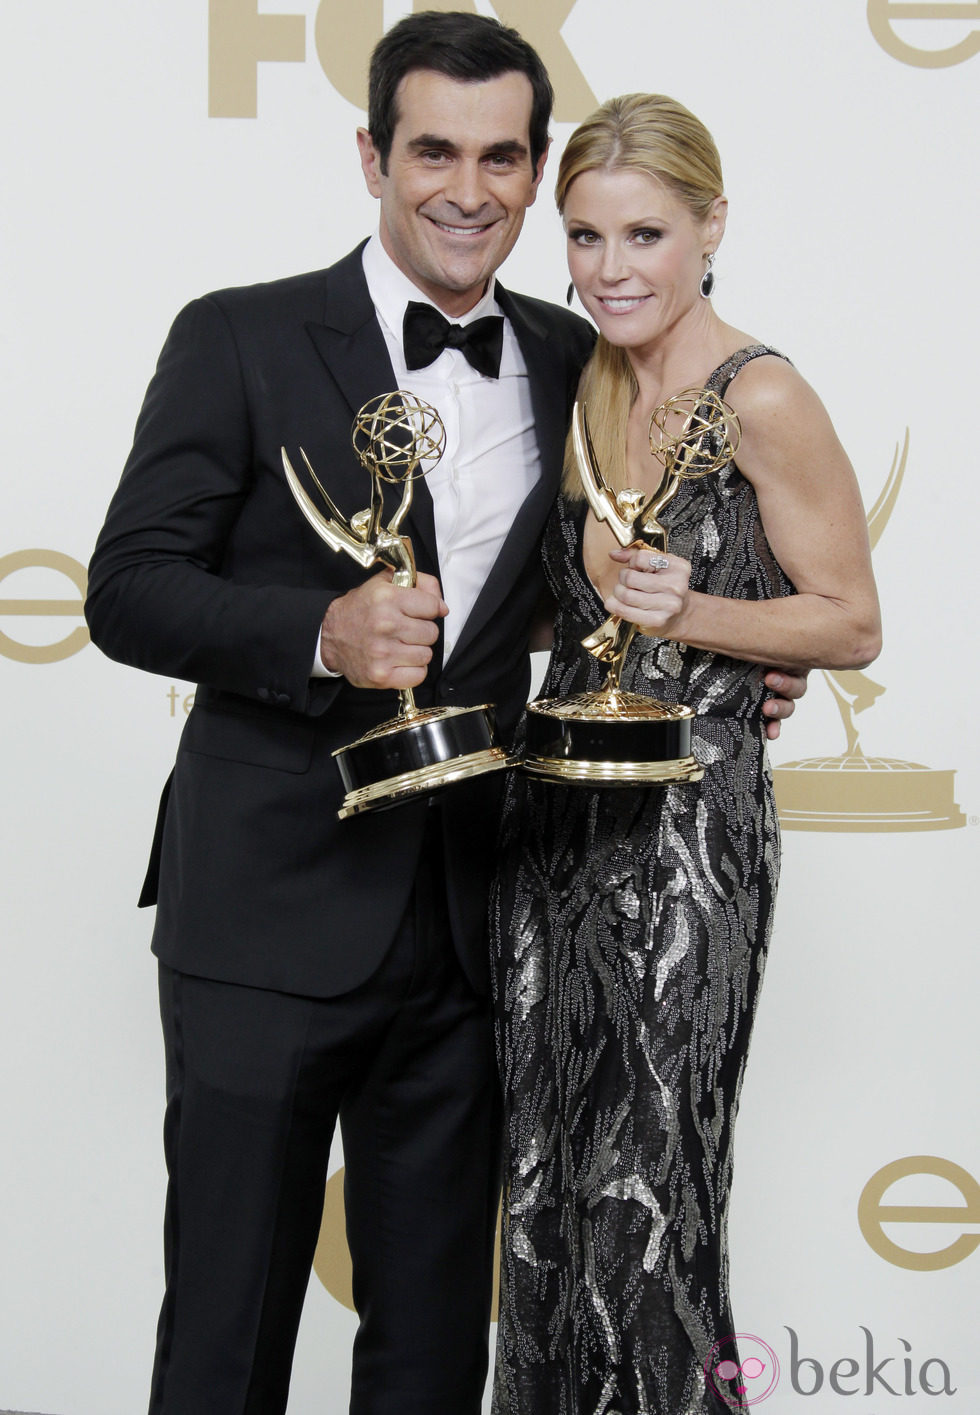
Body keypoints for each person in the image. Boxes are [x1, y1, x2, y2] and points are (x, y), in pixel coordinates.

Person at [85, 14, 804, 1412]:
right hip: (267, 910)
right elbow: (127, 588)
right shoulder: (234, 336)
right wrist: (316, 630)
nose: (466, 189)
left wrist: (748, 660)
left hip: (483, 922)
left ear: (537, 175)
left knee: (428, 1353)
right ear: (372, 156)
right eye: (432, 151)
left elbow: (633, 566)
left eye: (500, 156)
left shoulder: (575, 355)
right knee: (226, 1336)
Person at [490, 93, 881, 1415]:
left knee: (657, 1190)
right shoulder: (585, 379)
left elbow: (851, 617)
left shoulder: (761, 393)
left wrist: (701, 619)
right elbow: (554, 614)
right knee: (544, 1191)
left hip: (688, 846)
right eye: (587, 238)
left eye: (644, 235)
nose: (612, 271)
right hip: (550, 841)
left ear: (711, 227)